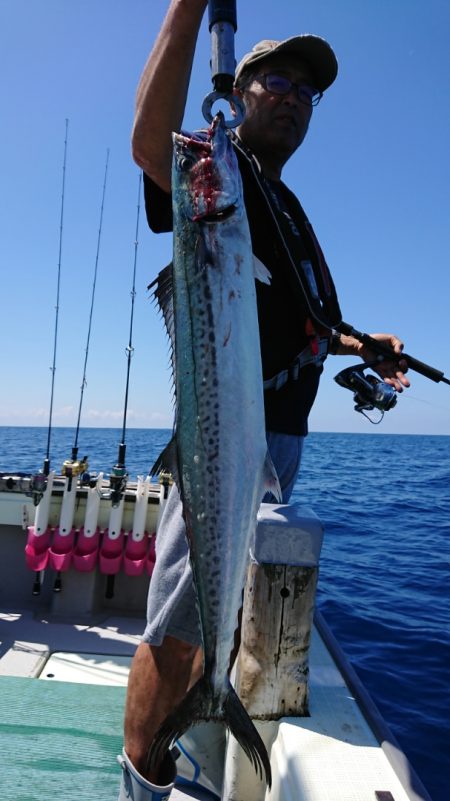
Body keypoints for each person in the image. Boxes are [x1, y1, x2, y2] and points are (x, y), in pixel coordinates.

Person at [118, 2, 410, 799]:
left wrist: (361, 345)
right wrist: (186, 10)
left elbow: (304, 321)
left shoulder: (280, 206)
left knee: (213, 618)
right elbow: (152, 145)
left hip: (273, 443)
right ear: (239, 94)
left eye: (306, 92)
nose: (291, 97)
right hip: (223, 436)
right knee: (179, 630)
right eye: (275, 80)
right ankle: (139, 782)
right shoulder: (222, 175)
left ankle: (182, 741)